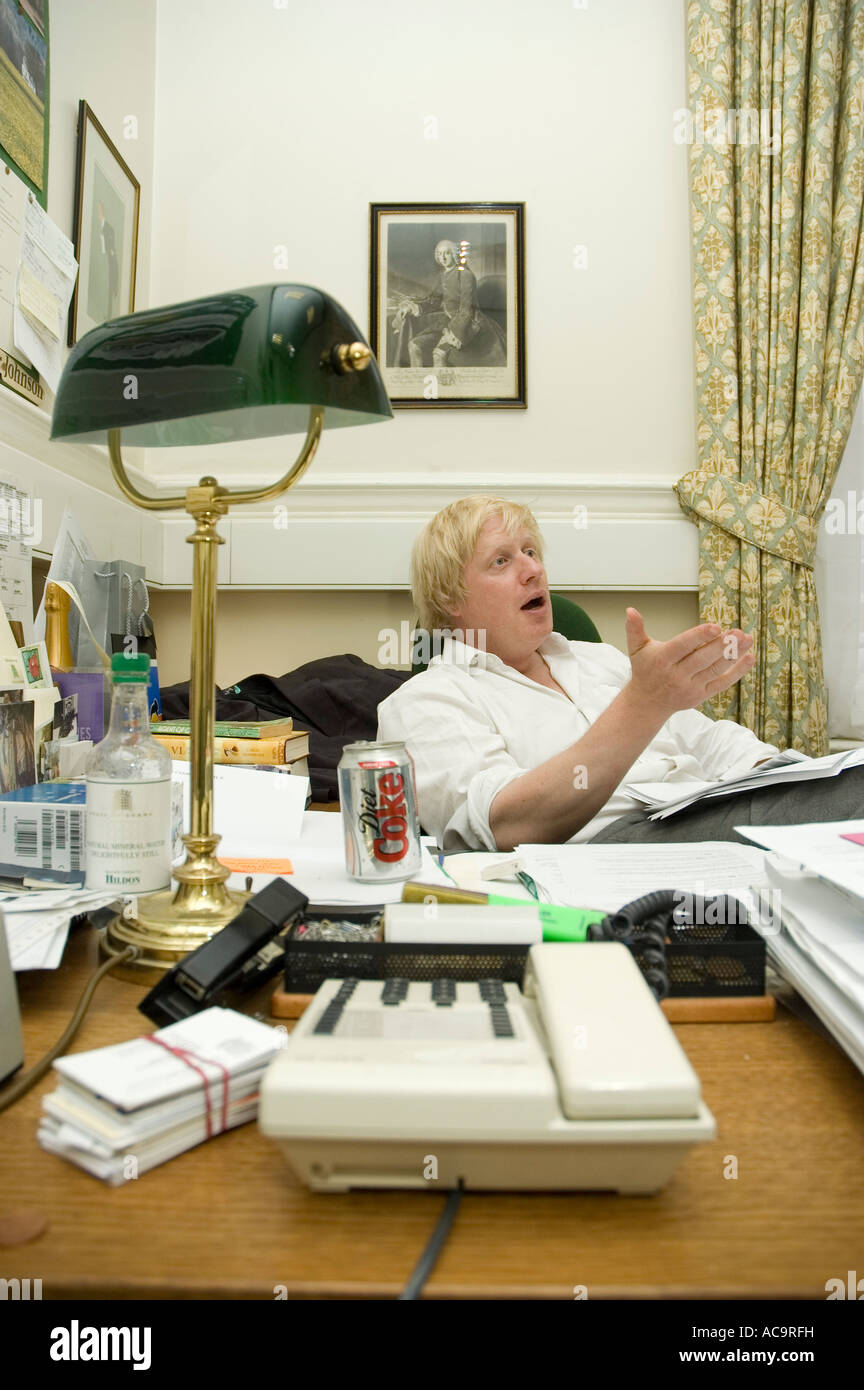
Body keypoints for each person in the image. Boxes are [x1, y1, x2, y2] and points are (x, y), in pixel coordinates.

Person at [377, 495, 863, 851]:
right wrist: (642, 705)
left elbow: (710, 743)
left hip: (703, 812)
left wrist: (791, 780)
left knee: (845, 784)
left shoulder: (598, 661)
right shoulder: (427, 700)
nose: (532, 570)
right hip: (609, 848)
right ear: (449, 599)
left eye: (531, 551)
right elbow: (504, 825)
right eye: (501, 561)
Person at [391, 240, 506, 369]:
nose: (443, 257)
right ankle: (417, 384)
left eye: (447, 253)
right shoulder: (442, 276)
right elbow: (434, 301)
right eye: (440, 254)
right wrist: (411, 308)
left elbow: (466, 310)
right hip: (448, 322)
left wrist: (454, 333)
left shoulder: (465, 275)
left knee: (439, 354)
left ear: (454, 255)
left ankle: (444, 387)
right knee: (414, 345)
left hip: (468, 324)